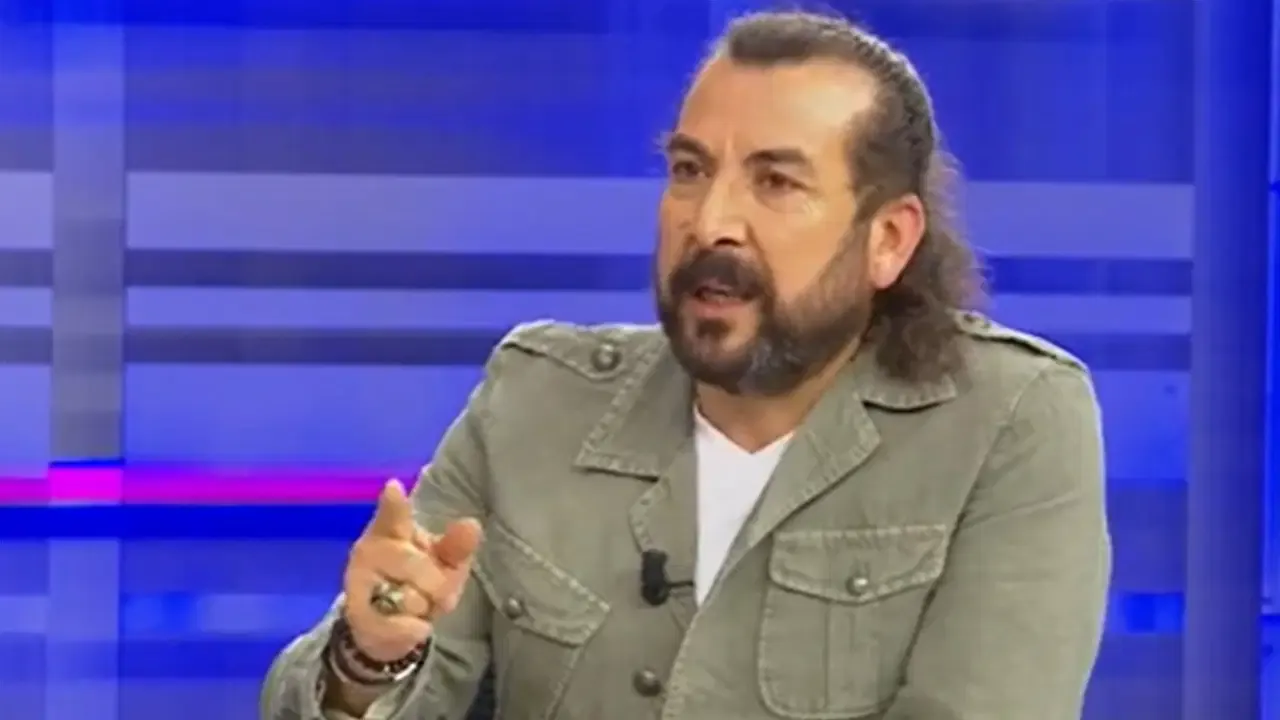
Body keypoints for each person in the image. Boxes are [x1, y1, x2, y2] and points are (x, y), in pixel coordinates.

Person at [260, 10, 1110, 720]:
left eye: (775, 183)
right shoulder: (535, 401)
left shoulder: (1007, 422)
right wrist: (369, 658)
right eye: (690, 170)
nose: (711, 222)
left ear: (887, 239)